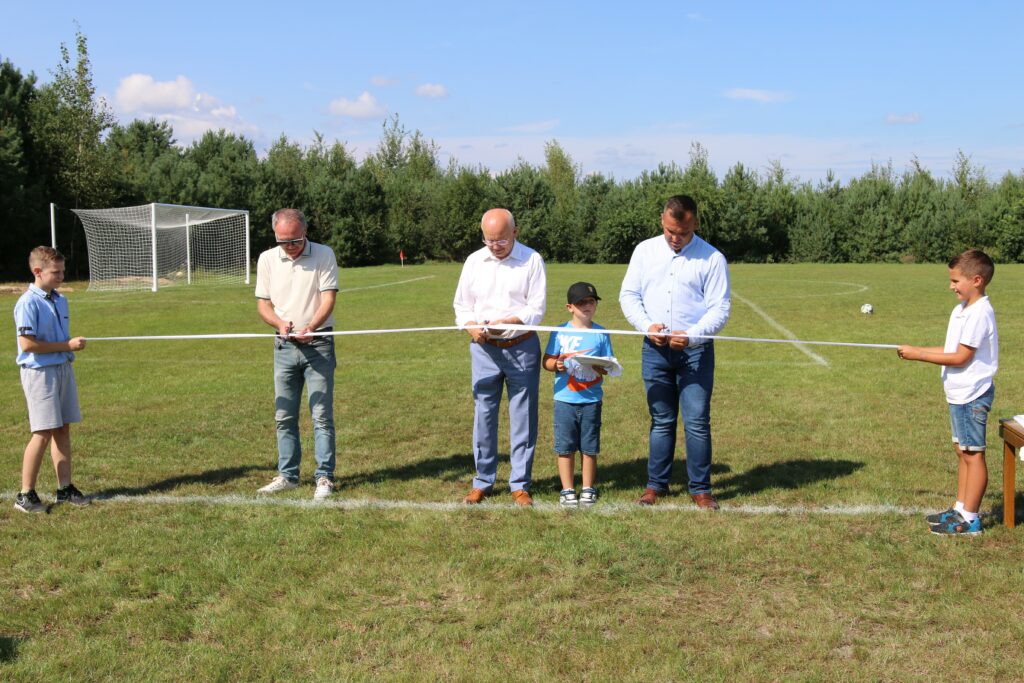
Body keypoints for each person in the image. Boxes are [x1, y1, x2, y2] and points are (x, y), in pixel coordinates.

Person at [619, 195, 731, 508]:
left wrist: (692, 335)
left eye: (682, 232)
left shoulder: (712, 259)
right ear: (662, 220)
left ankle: (700, 490)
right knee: (661, 420)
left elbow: (720, 309)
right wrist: (646, 326)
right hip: (654, 350)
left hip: (695, 354)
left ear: (694, 223)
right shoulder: (644, 251)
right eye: (670, 230)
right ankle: (656, 486)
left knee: (696, 421)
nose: (675, 237)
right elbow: (629, 295)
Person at [898, 249, 998, 536]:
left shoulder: (980, 313)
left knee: (973, 454)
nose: (951, 286)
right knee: (962, 450)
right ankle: (960, 508)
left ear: (976, 280)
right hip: (958, 393)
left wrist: (919, 355)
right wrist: (915, 350)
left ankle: (971, 519)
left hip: (972, 394)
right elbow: (950, 350)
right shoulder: (962, 310)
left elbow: (960, 358)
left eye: (956, 281)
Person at [454, 208, 547, 506]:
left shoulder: (532, 260)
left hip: (522, 347)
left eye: (502, 240)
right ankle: (482, 481)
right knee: (484, 415)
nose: (495, 246)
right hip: (484, 350)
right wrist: (472, 329)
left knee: (523, 417)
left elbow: (536, 308)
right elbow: (462, 306)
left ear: (515, 233)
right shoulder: (473, 262)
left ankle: (520, 484)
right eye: (489, 240)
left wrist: (511, 321)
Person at [255, 209, 340, 500]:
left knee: (321, 415)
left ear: (306, 232)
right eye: (283, 242)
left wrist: (311, 327)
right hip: (284, 347)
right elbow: (263, 304)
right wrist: (280, 324)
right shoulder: (267, 259)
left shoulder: (324, 254)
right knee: (283, 415)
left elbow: (328, 298)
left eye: (295, 240)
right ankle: (288, 475)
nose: (290, 246)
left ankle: (324, 477)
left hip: (319, 345)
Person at [13, 246, 90, 513]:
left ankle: (65, 489)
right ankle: (25, 495)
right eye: (56, 272)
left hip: (62, 369)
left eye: (63, 272)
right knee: (42, 432)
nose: (61, 277)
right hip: (40, 374)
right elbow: (27, 344)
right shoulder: (27, 302)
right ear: (38, 271)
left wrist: (66, 349)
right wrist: (66, 345)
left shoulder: (60, 299)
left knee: (62, 429)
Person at [542, 282, 613, 508]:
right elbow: (547, 361)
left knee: (590, 447)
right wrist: (557, 365)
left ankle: (588, 488)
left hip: (592, 400)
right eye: (581, 302)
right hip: (565, 399)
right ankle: (567, 489)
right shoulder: (560, 331)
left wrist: (602, 367)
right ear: (570, 307)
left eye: (591, 301)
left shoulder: (601, 333)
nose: (587, 306)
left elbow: (608, 365)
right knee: (565, 447)